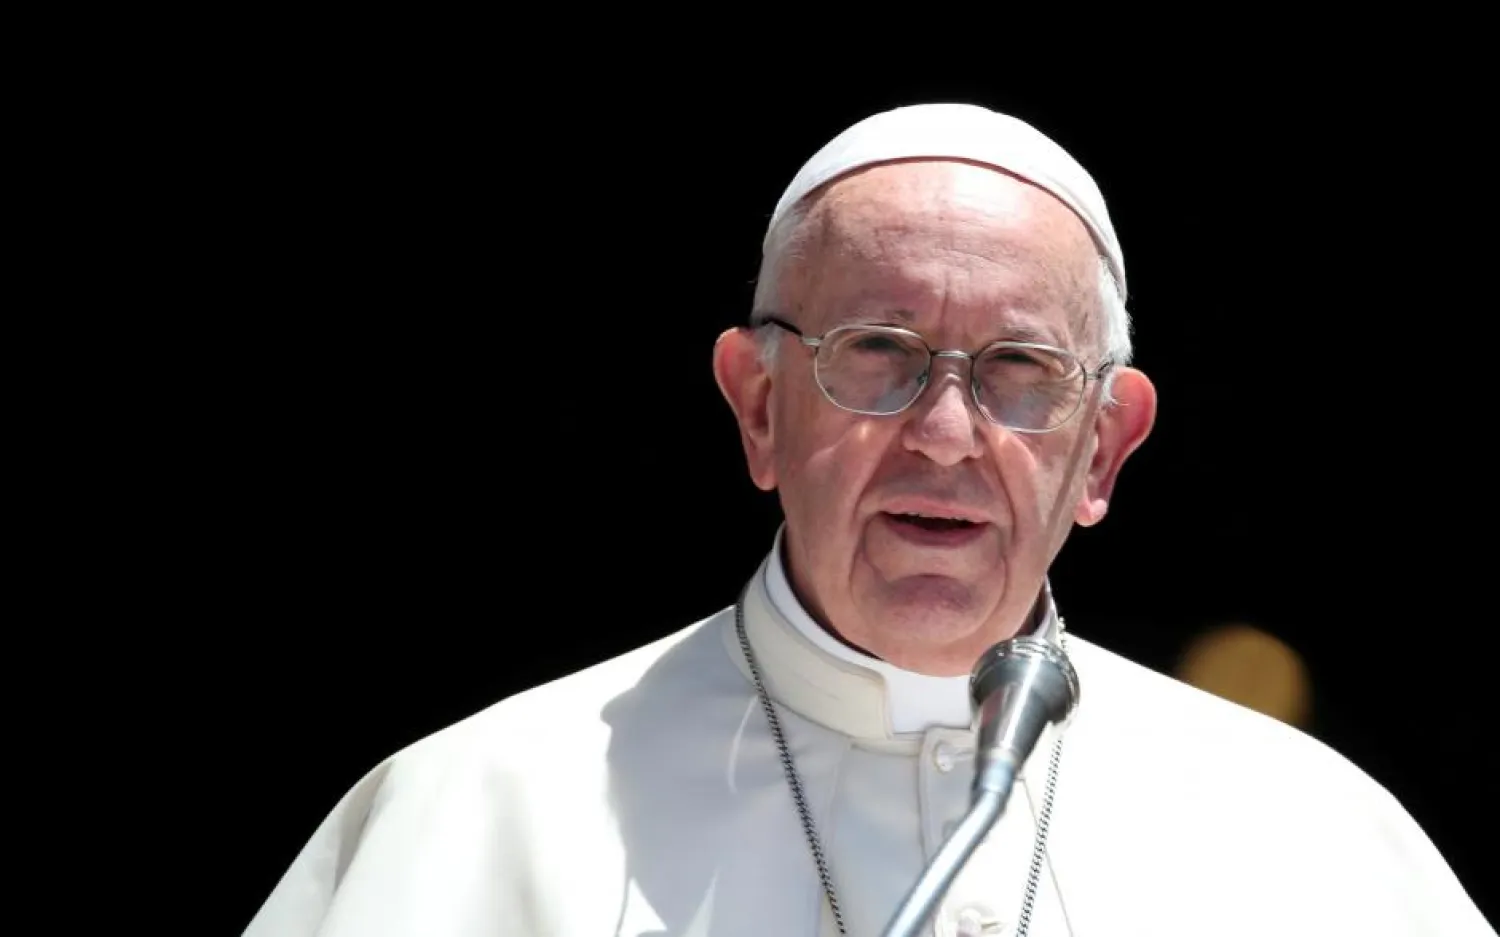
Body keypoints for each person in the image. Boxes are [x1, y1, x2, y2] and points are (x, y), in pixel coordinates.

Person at [243, 103, 1494, 937]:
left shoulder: (1306, 834)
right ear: (758, 408)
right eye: (878, 351)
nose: (944, 433)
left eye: (1019, 369)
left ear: (1104, 447)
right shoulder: (485, 808)